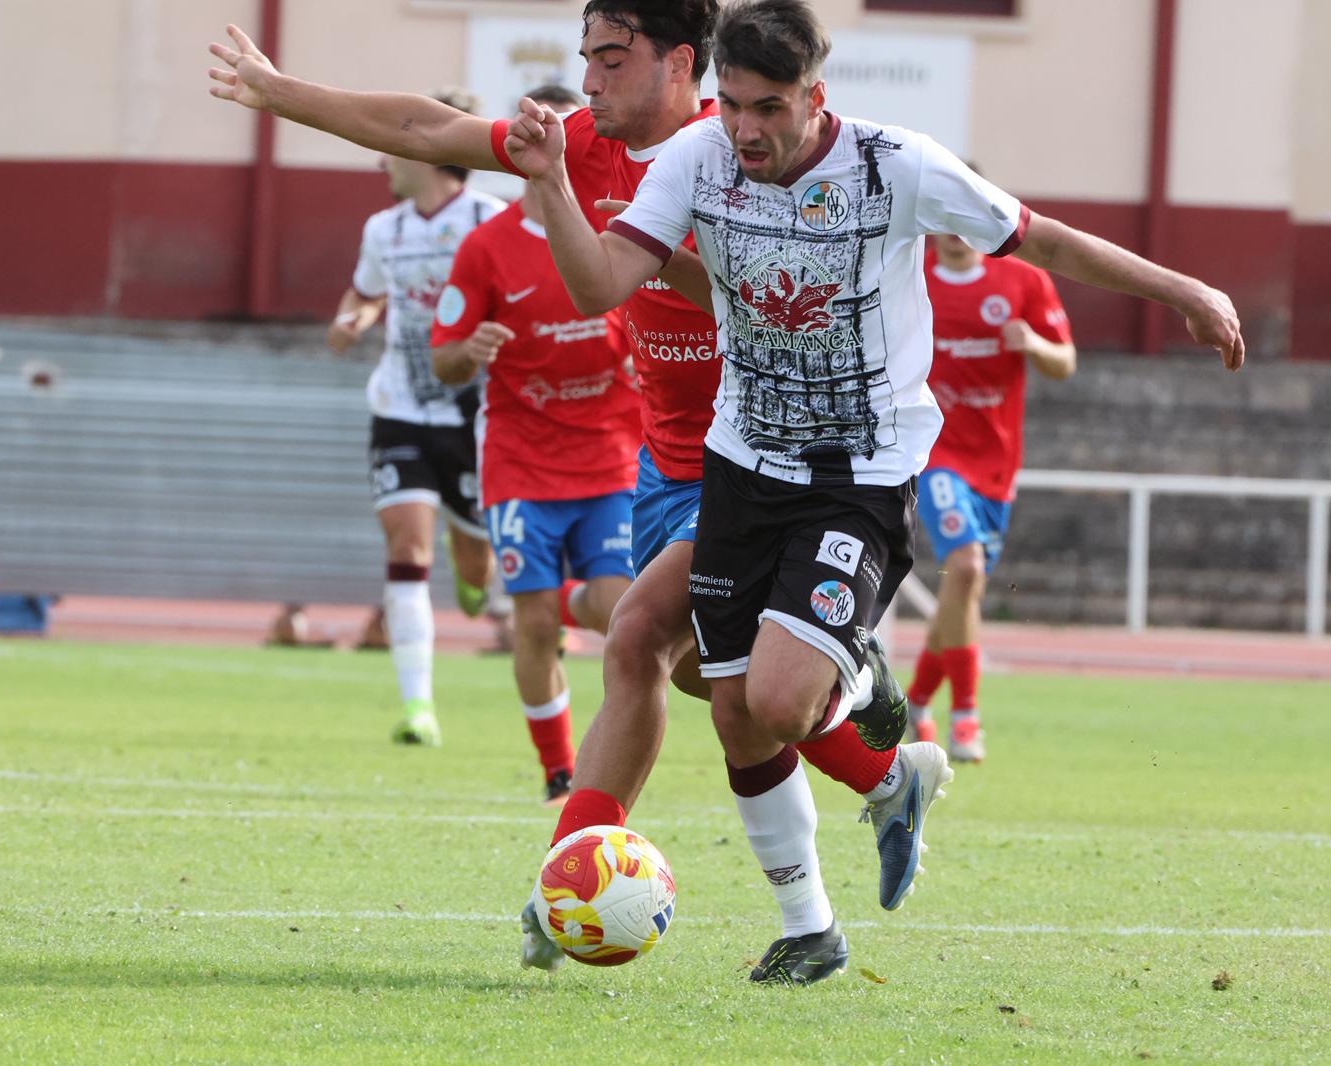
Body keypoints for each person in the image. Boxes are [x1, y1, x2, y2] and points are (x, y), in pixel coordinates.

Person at [209, 2, 947, 987]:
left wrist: (656, 254)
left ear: (680, 62)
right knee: (706, 685)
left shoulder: (745, 155)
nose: (589, 79)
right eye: (586, 58)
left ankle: (572, 874)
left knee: (639, 633)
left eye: (610, 57)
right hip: (662, 463)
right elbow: (425, 128)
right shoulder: (588, 146)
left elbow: (787, 290)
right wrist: (277, 93)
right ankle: (868, 794)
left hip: (765, 462)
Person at [503, 0, 1242, 982]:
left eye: (770, 107)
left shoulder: (899, 163)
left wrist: (1184, 289)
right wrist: (551, 182)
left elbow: (1044, 238)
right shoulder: (695, 158)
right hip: (739, 466)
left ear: (817, 95)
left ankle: (864, 697)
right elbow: (600, 285)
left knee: (773, 694)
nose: (747, 130)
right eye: (732, 107)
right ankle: (813, 921)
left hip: (857, 472)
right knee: (730, 709)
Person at [433, 85, 642, 806]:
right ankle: (559, 771)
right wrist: (471, 349)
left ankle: (566, 596)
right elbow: (443, 358)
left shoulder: (620, 237)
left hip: (613, 458)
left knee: (622, 611)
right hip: (521, 464)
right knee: (531, 623)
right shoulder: (485, 248)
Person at [324, 89, 506, 748]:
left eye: (392, 145)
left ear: (427, 150)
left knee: (476, 564)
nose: (382, 160)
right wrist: (354, 319)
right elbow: (369, 293)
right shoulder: (384, 229)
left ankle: (474, 576)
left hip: (473, 414)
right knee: (406, 546)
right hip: (399, 406)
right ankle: (418, 706)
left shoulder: (491, 220)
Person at [906, 228, 1078, 762]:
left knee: (963, 593)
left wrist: (1035, 344)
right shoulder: (913, 276)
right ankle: (966, 717)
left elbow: (1065, 363)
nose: (956, 236)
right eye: (945, 221)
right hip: (934, 453)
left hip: (996, 468)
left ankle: (915, 701)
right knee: (966, 569)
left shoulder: (1024, 280)